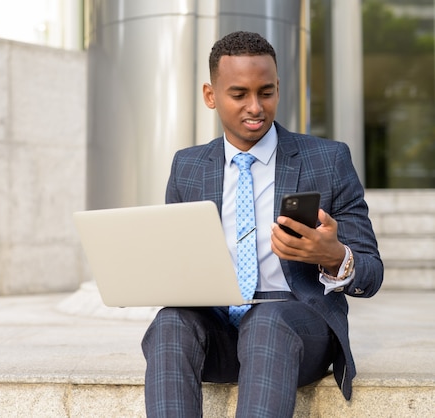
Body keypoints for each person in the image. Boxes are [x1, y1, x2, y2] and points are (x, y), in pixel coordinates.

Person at [141, 31, 384, 417]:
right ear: (210, 95)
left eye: (266, 92)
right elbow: (179, 268)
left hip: (295, 328)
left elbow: (371, 273)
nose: (255, 107)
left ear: (278, 88)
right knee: (170, 323)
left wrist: (335, 256)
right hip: (218, 331)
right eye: (239, 94)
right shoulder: (186, 167)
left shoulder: (328, 159)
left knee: (268, 322)